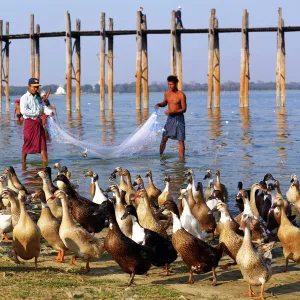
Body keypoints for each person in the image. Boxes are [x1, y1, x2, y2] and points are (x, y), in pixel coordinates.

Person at [20, 78, 54, 164]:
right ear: (29, 86)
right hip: (29, 123)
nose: (36, 89)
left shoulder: (38, 97)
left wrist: (49, 112)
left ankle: (45, 165)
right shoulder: (24, 98)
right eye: (34, 87)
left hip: (38, 123)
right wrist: (37, 112)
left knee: (43, 145)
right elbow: (24, 111)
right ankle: (23, 163)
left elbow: (43, 107)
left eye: (37, 87)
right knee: (27, 143)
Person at [154, 75, 187, 157]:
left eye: (171, 84)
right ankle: (161, 156)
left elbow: (184, 109)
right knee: (164, 137)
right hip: (170, 118)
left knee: (180, 140)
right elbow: (164, 103)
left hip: (179, 118)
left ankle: (182, 159)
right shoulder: (167, 93)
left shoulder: (181, 95)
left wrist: (172, 111)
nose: (170, 86)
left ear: (176, 83)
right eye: (168, 84)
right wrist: (159, 104)